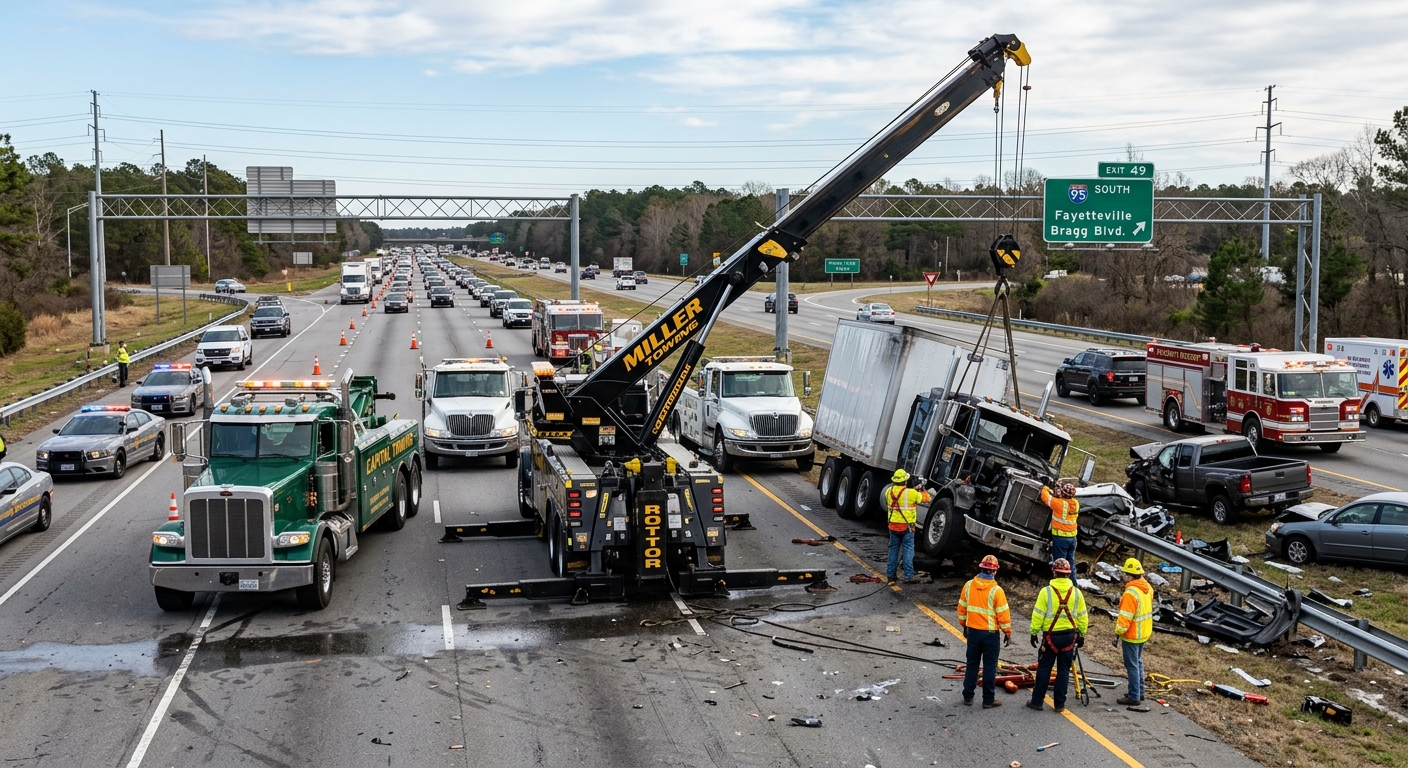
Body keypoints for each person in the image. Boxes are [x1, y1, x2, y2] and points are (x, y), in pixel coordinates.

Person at [1026, 558, 1088, 712]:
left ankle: (1037, 702)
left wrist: (1034, 632)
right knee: (1063, 671)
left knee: (1044, 669)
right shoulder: (1077, 593)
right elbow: (1082, 616)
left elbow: (1038, 614)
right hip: (1068, 638)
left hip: (1050, 638)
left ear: (1054, 572)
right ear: (1068, 574)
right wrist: (1081, 634)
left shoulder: (1046, 592)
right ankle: (1059, 704)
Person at [957, 554, 1012, 708]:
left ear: (980, 568)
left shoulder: (968, 585)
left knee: (972, 665)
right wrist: (1007, 632)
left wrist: (964, 625)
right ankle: (988, 700)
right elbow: (1003, 614)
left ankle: (968, 696)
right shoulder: (997, 591)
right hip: (990, 635)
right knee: (989, 667)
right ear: (994, 571)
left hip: (973, 633)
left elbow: (962, 609)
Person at [1114, 557, 1154, 705]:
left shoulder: (1131, 593)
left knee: (1131, 665)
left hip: (1131, 635)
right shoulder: (1147, 588)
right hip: (1144, 632)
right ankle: (1140, 691)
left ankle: (1134, 696)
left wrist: (1118, 632)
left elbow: (1125, 617)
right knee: (1138, 662)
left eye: (1125, 573)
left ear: (1130, 575)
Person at [883, 468, 931, 584]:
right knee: (908, 550)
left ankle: (890, 575)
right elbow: (927, 498)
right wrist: (921, 488)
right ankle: (909, 576)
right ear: (905, 481)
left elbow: (898, 498)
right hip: (907, 527)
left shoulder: (888, 491)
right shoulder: (912, 493)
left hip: (893, 526)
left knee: (893, 550)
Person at [1040, 482, 1079, 569]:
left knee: (1060, 565)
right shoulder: (1075, 503)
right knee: (1070, 564)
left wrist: (1045, 487)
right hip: (1073, 539)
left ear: (1062, 493)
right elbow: (1063, 498)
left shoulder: (1059, 504)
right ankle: (1072, 582)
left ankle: (1059, 581)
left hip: (1061, 539)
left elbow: (1044, 496)